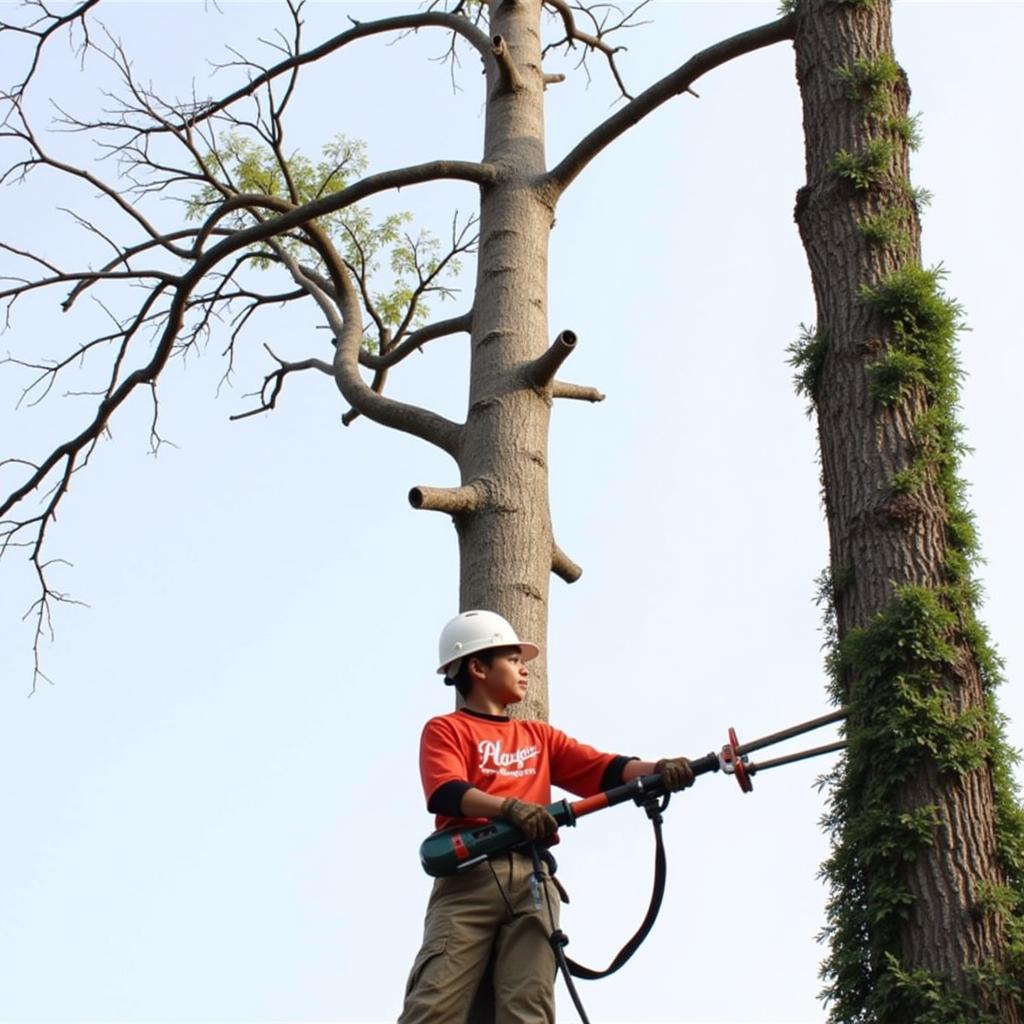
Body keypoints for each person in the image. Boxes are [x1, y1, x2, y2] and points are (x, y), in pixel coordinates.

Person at [398, 609, 695, 1024]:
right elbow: (446, 791)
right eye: (513, 660)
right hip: (470, 881)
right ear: (478, 667)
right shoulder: (448, 730)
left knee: (529, 1012)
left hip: (534, 879)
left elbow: (603, 769)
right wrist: (510, 807)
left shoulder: (537, 737)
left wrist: (660, 769)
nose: (524, 670)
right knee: (433, 1009)